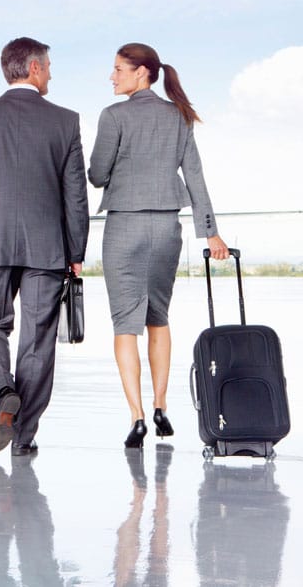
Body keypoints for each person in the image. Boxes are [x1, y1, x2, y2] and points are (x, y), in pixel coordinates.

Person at [0, 37, 89, 457]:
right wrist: (76, 251)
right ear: (33, 68)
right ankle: (22, 437)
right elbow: (75, 197)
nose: (50, 73)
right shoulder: (66, 121)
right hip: (48, 246)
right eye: (48, 66)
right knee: (37, 341)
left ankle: (2, 393)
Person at [88, 42, 229, 449]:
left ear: (142, 73)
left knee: (124, 325)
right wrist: (211, 232)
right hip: (168, 228)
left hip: (125, 226)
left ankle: (135, 416)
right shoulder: (178, 116)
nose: (112, 76)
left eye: (118, 69)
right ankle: (161, 405)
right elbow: (196, 176)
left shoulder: (113, 116)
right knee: (158, 319)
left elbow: (97, 175)